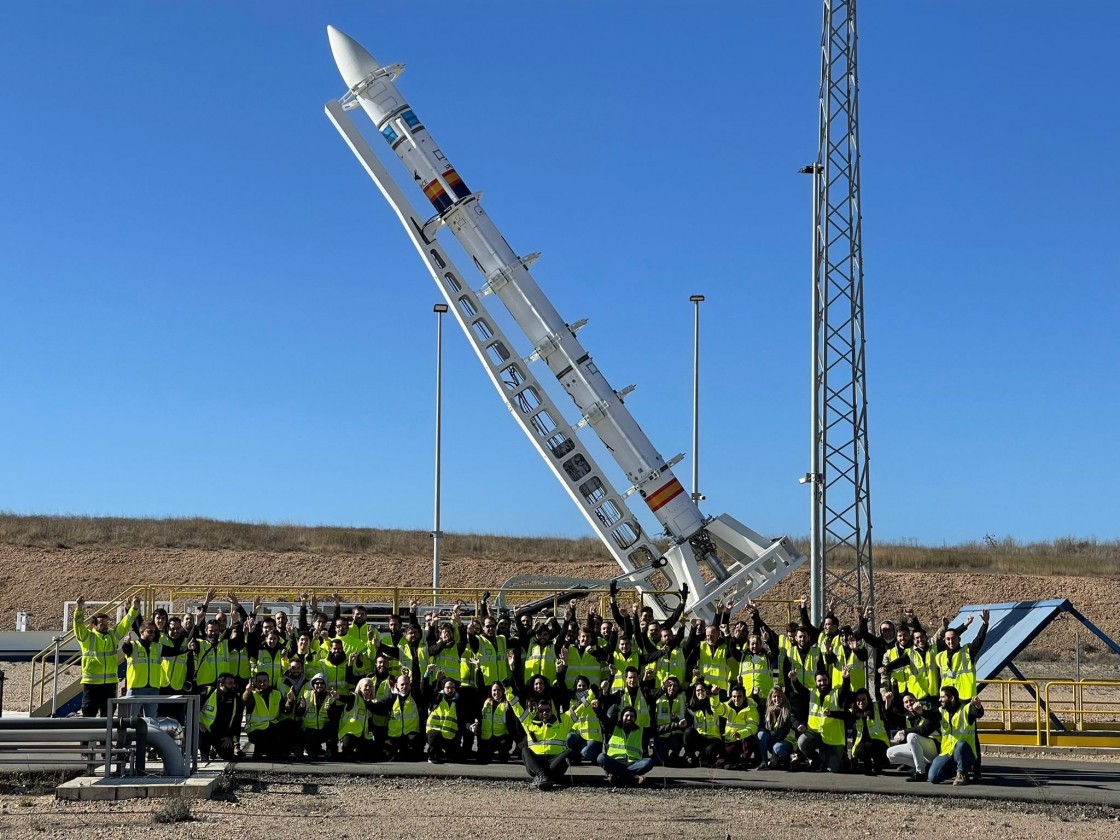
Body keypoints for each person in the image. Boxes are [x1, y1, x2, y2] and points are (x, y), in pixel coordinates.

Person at [506, 684, 590, 791]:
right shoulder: (529, 722)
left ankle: (542, 777)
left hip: (554, 763)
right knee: (525, 750)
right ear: (537, 711)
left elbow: (580, 707)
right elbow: (516, 708)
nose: (545, 713)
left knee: (569, 751)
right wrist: (508, 691)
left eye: (547, 710)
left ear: (552, 710)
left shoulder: (563, 721)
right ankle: (544, 775)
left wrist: (591, 694)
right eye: (541, 710)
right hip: (536, 763)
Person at [73, 595, 139, 717]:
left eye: (107, 623)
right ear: (94, 625)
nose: (105, 625)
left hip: (109, 684)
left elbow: (126, 622)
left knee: (108, 714)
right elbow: (78, 625)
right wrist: (79, 608)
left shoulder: (112, 637)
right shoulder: (87, 637)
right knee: (88, 713)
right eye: (102, 623)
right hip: (91, 684)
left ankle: (106, 736)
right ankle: (89, 736)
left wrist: (134, 609)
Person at [928, 686, 984, 785]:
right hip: (948, 753)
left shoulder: (966, 709)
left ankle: (962, 774)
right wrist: (920, 712)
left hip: (966, 753)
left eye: (942, 697)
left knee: (961, 744)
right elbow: (931, 716)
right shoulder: (941, 711)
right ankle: (957, 769)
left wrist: (978, 706)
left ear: (952, 698)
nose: (939, 699)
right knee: (933, 777)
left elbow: (977, 713)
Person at [885, 690, 940, 781]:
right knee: (890, 753)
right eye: (906, 702)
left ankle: (920, 773)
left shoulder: (926, 711)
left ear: (916, 701)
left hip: (934, 749)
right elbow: (890, 717)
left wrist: (903, 732)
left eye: (911, 700)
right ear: (903, 705)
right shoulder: (907, 716)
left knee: (911, 736)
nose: (909, 703)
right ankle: (924, 766)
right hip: (920, 751)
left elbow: (924, 730)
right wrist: (888, 701)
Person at [596, 705, 653, 785]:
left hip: (633, 764)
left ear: (635, 719)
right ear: (622, 717)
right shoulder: (614, 727)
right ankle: (631, 778)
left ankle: (618, 777)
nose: (629, 718)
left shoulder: (641, 731)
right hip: (615, 763)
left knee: (649, 762)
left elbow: (659, 730)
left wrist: (676, 725)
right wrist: (597, 709)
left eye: (632, 716)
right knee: (601, 757)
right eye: (627, 715)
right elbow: (603, 719)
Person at [121, 619, 165, 718]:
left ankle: (148, 734)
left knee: (152, 721)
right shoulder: (133, 645)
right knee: (130, 719)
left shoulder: (157, 647)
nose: (153, 634)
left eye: (154, 632)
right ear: (141, 632)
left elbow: (175, 651)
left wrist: (189, 648)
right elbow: (126, 649)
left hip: (153, 689)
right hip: (135, 689)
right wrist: (126, 643)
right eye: (150, 631)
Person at [199, 672, 244, 761]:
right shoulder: (207, 692)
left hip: (222, 734)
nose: (233, 686)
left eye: (233, 683)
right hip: (205, 730)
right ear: (221, 684)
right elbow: (192, 710)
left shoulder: (236, 698)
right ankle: (204, 751)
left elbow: (237, 721)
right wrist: (198, 723)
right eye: (230, 683)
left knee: (228, 755)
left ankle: (215, 749)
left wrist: (230, 737)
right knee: (197, 735)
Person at [242, 671, 283, 760]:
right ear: (255, 683)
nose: (262, 683)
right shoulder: (252, 694)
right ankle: (259, 753)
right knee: (262, 740)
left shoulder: (277, 694)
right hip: (255, 729)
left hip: (272, 727)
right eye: (259, 681)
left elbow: (285, 709)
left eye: (265, 681)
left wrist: (290, 702)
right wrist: (247, 691)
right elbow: (246, 701)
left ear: (269, 681)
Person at [757, 685, 798, 770]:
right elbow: (764, 726)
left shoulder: (788, 709)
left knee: (777, 747)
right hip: (774, 740)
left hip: (787, 742)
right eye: (774, 696)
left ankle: (788, 759)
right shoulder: (768, 711)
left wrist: (798, 725)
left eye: (779, 696)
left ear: (783, 697)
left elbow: (793, 720)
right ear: (771, 698)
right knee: (761, 734)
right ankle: (764, 762)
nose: (777, 698)